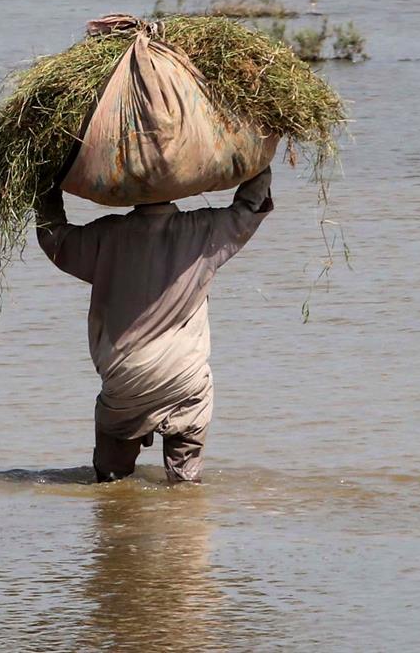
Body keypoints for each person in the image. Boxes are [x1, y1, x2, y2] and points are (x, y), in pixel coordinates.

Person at [35, 167, 274, 484]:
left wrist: (44, 183)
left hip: (126, 384)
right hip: (185, 381)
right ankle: (182, 516)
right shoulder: (205, 231)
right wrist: (260, 158)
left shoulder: (106, 237)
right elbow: (251, 206)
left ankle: (117, 516)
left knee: (110, 482)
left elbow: (53, 236)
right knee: (185, 486)